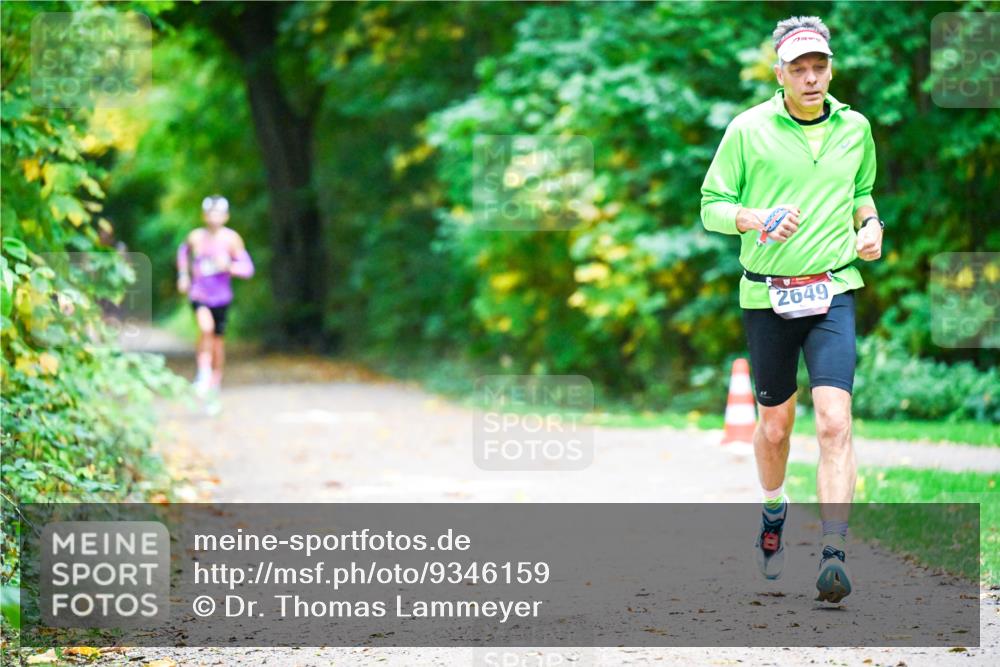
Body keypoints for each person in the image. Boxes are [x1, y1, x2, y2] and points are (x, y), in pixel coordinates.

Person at [700, 16, 884, 603]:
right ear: (779, 72)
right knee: (776, 426)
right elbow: (711, 205)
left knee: (834, 420)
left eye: (819, 66)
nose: (810, 77)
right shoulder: (747, 129)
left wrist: (872, 224)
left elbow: (861, 193)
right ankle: (774, 511)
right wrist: (753, 218)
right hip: (767, 293)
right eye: (798, 68)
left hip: (833, 289)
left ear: (831, 68)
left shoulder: (855, 128)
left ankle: (834, 551)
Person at [176, 195, 255, 401]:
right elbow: (182, 252)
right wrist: (183, 275)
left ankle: (215, 382)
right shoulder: (195, 237)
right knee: (206, 329)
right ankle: (203, 373)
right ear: (204, 215)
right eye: (210, 213)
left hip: (221, 298)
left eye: (218, 213)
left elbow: (247, 269)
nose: (214, 218)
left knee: (218, 343)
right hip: (199, 294)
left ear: (226, 216)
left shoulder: (231, 239)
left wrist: (229, 266)